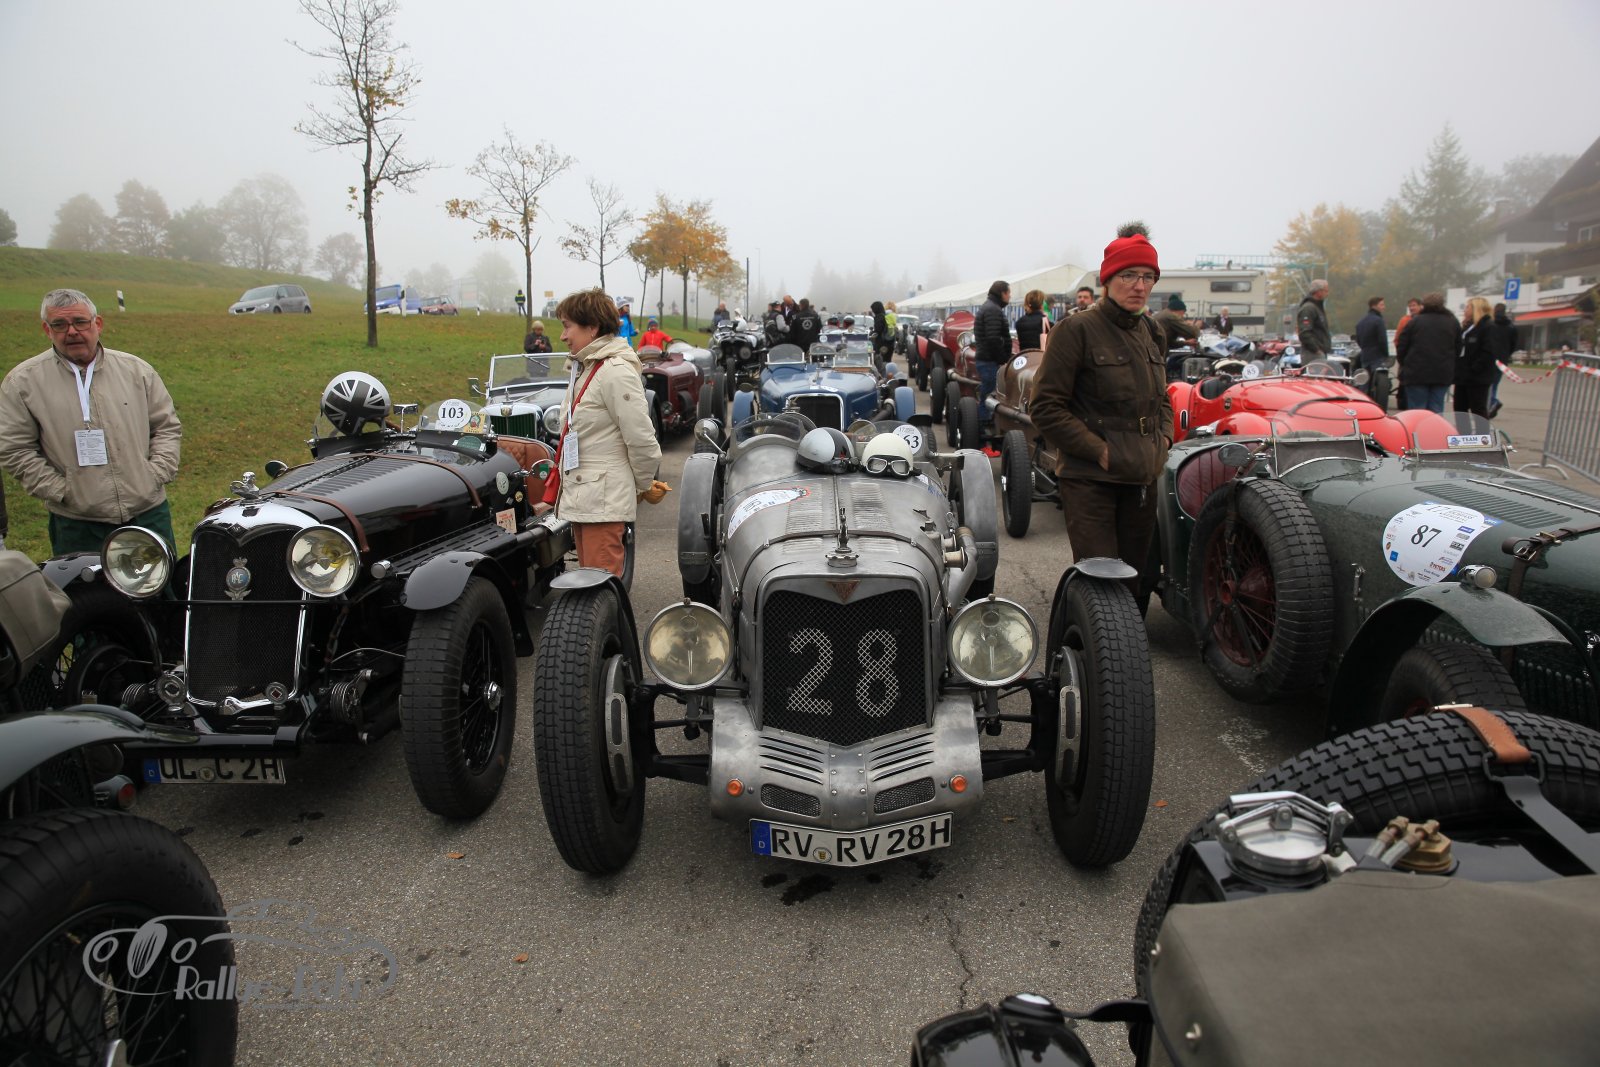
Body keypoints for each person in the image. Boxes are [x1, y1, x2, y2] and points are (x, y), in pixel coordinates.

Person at [1031, 222, 1172, 581]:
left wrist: (1165, 440)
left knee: (1137, 580)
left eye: (1148, 277)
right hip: (1091, 480)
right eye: (1129, 275)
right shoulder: (1076, 330)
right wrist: (1099, 451)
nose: (1139, 286)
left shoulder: (1152, 332)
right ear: (1107, 280)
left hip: (1142, 479)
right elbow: (1045, 407)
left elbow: (1162, 399)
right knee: (1101, 581)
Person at [0, 288, 182, 555]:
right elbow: (15, 449)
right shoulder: (23, 382)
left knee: (163, 582)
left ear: (97, 323)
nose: (72, 331)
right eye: (59, 324)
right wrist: (61, 491)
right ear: (47, 329)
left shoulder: (136, 371)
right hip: (77, 524)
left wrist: (155, 474)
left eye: (80, 322)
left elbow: (166, 426)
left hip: (147, 513)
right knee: (85, 584)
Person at [552, 289, 665, 578]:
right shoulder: (587, 369)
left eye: (567, 326)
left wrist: (642, 486)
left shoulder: (614, 371)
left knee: (598, 591)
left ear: (592, 328)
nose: (563, 336)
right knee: (591, 590)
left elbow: (642, 439)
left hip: (601, 502)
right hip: (589, 500)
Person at [1394, 292, 1457, 414]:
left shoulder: (1415, 321)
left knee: (1417, 410)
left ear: (1424, 305)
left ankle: (1418, 427)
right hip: (1442, 372)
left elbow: (1402, 345)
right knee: (1436, 409)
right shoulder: (1452, 322)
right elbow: (1458, 346)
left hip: (1416, 372)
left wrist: (1404, 363)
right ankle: (1434, 426)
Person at [1455, 296, 1496, 420]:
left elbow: (1488, 351)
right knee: (1460, 409)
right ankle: (1463, 432)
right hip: (1462, 375)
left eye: (1468, 307)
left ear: (1476, 309)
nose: (1465, 310)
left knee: (1477, 409)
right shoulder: (1467, 326)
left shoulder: (1488, 327)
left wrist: (1475, 367)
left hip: (1477, 377)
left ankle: (1481, 432)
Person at [973, 280, 1012, 413]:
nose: (1010, 296)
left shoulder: (990, 307)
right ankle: (984, 423)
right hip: (989, 361)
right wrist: (1002, 358)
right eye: (1008, 293)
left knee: (988, 395)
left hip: (987, 359)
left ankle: (984, 420)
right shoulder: (992, 310)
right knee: (989, 398)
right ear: (1002, 293)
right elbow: (993, 338)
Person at [1155, 294, 1199, 380]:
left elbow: (1169, 342)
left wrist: (1186, 343)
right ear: (1180, 310)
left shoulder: (1163, 314)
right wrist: (1195, 325)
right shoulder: (1171, 316)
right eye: (1183, 313)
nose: (1183, 316)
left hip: (1156, 352)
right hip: (1156, 354)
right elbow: (1192, 332)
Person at [1354, 297, 1389, 402]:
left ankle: (1362, 401)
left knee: (1364, 381)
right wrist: (1385, 354)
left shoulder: (1361, 322)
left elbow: (1358, 340)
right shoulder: (1378, 321)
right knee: (1379, 382)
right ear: (1374, 305)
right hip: (1377, 355)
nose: (1384, 307)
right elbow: (1382, 340)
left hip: (1365, 354)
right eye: (1381, 305)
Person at [1489, 303, 1516, 417]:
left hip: (1490, 358)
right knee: (1495, 384)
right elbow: (1513, 344)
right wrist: (1506, 355)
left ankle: (1493, 402)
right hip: (1502, 360)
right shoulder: (1511, 327)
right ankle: (1492, 403)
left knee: (1487, 384)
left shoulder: (1491, 325)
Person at [1296, 280, 1333, 360]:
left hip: (1319, 353)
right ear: (1318, 292)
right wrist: (1316, 350)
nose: (1327, 294)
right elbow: (1304, 333)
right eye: (1326, 291)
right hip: (1312, 354)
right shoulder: (1308, 309)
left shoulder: (1317, 308)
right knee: (1316, 369)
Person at [869, 300, 893, 366]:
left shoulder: (879, 317)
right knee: (887, 361)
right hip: (889, 343)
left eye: (873, 309)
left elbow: (878, 330)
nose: (873, 311)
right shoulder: (885, 316)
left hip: (881, 343)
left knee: (879, 361)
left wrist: (871, 333)